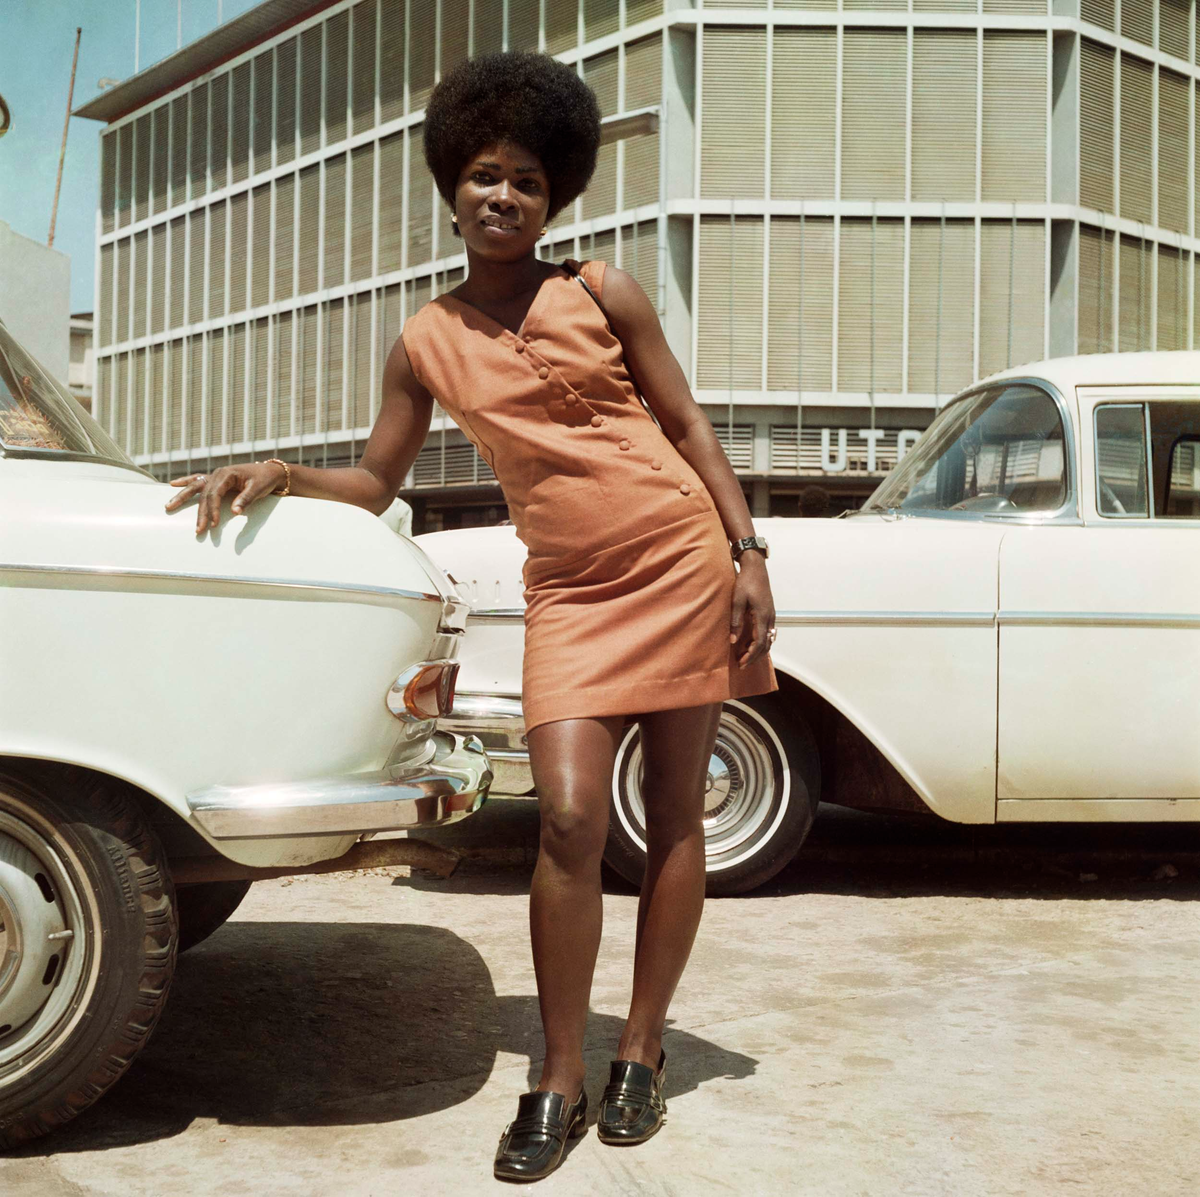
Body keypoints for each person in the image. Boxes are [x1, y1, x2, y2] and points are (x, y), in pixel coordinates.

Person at [165, 50, 778, 1184]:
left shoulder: (602, 289)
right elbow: (378, 481)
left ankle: (640, 1050)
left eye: (530, 183)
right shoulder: (423, 341)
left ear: (557, 198)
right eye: (488, 175)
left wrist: (747, 551)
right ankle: (557, 1071)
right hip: (570, 593)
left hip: (683, 560)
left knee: (680, 815)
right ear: (454, 182)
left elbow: (688, 427)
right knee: (570, 820)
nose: (506, 197)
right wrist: (281, 474)